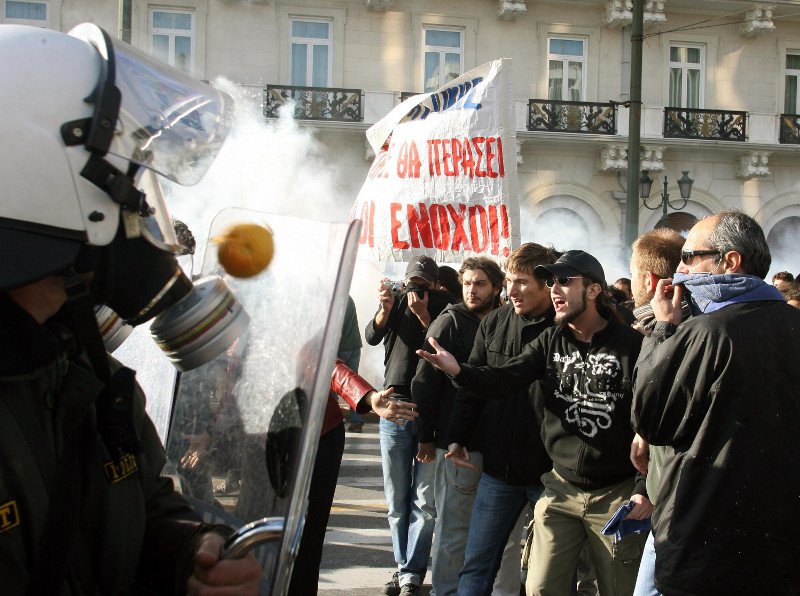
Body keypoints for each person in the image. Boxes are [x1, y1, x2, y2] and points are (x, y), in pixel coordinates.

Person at [0, 23, 261, 593]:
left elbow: (145, 507)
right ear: (41, 182)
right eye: (129, 191)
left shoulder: (89, 370)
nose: (143, 215)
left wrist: (188, 557)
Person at [419, 250, 650, 596]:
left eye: (564, 281)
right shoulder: (550, 340)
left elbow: (652, 425)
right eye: (551, 281)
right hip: (556, 486)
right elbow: (502, 379)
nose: (555, 289)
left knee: (617, 589)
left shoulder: (633, 346)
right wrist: (457, 370)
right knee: (538, 586)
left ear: (593, 290)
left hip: (613, 495)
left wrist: (642, 489)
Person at [632, 210, 800, 595]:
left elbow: (651, 419)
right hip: (781, 551)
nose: (681, 271)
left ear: (731, 261)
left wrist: (662, 331)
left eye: (690, 257)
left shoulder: (707, 332)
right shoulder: (792, 325)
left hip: (706, 543)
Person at [445, 243, 559, 596]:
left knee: (551, 574)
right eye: (509, 280)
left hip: (551, 472)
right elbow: (474, 386)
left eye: (522, 282)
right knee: (478, 563)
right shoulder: (495, 322)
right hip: (500, 468)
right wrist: (458, 436)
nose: (511, 291)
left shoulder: (565, 328)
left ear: (547, 284)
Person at [411, 257, 503, 596]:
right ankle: (445, 591)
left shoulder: (503, 321)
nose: (472, 290)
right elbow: (424, 384)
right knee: (453, 530)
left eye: (480, 283)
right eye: (467, 282)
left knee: (490, 534)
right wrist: (425, 438)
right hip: (455, 445)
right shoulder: (449, 324)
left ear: (496, 287)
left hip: (495, 446)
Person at [288, 359, 418, 595]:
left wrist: (369, 398)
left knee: (307, 537)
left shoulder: (297, 334)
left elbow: (330, 366)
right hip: (263, 437)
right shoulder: (237, 336)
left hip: (320, 435)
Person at [365, 256, 454, 595]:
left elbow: (444, 349)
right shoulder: (397, 300)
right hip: (394, 404)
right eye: (413, 281)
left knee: (424, 500)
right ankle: (405, 569)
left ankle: (411, 573)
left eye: (424, 283)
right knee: (396, 498)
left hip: (430, 407)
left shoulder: (446, 307)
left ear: (434, 284)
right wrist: (386, 308)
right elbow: (372, 336)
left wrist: (424, 315)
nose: (417, 288)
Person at [624, 228, 685, 596]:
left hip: (677, 503)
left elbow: (654, 406)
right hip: (664, 494)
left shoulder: (671, 332)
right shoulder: (659, 328)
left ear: (647, 280)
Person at [338, 295, 365, 432]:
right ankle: (357, 421)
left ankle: (335, 421)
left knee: (333, 388)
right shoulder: (347, 298)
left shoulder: (333, 299)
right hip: (354, 346)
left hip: (340, 349)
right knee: (353, 385)